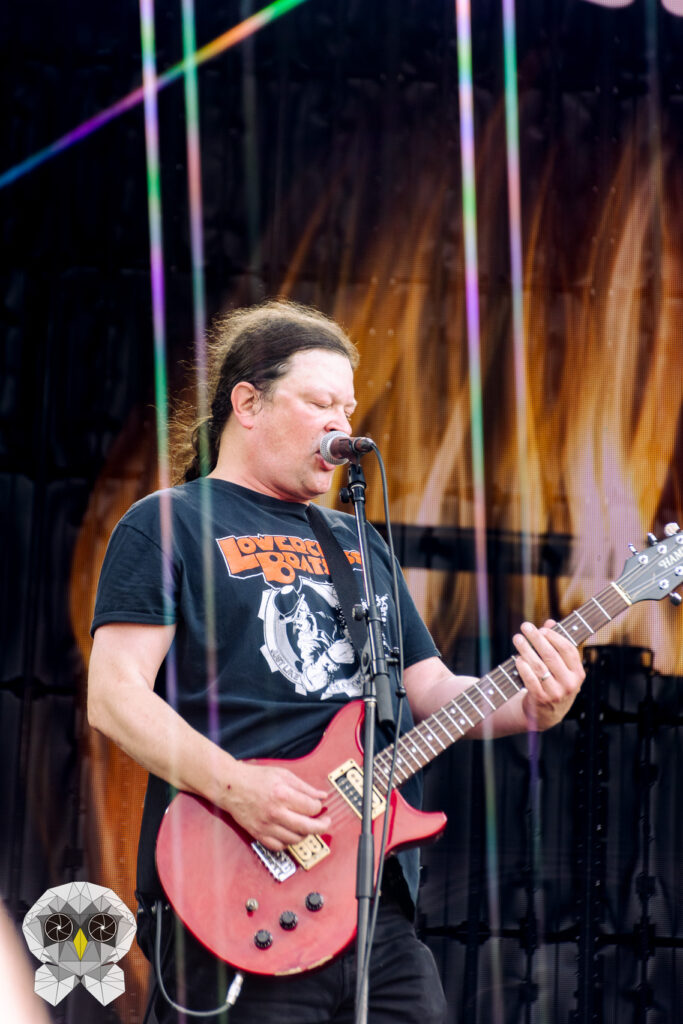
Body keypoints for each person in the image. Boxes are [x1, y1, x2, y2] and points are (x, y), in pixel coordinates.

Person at [87, 299, 586, 1023]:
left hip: (370, 898)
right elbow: (114, 695)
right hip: (235, 882)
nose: (341, 425)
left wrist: (532, 705)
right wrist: (237, 788)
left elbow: (428, 688)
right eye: (320, 402)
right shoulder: (170, 523)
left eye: (348, 408)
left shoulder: (357, 541)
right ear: (247, 404)